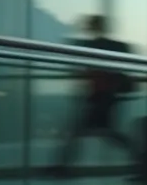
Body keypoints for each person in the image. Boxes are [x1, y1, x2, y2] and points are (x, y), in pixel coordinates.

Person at [52, 14, 136, 175]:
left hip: (101, 95)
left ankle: (62, 167)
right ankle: (141, 157)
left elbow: (82, 66)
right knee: (105, 132)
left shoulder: (92, 45)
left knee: (84, 132)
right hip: (105, 95)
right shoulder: (112, 46)